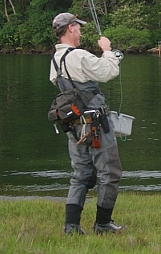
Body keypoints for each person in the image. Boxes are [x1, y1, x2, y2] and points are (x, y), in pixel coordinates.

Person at [49, 12, 125, 235]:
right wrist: (107, 50)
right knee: (110, 173)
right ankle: (103, 224)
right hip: (96, 124)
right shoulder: (78, 56)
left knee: (80, 173)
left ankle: (71, 226)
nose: (81, 31)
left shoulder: (55, 60)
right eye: (79, 27)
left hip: (74, 126)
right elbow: (108, 71)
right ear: (70, 28)